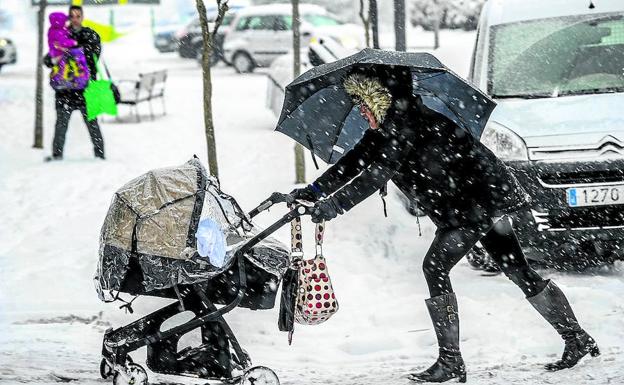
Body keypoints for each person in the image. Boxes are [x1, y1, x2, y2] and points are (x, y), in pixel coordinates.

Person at [280, 73, 600, 382]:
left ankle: (450, 361)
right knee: (517, 269)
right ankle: (577, 338)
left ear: (379, 100)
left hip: (476, 200)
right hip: (478, 199)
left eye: (363, 103)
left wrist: (333, 207)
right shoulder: (385, 128)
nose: (360, 111)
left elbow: (377, 174)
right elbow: (354, 162)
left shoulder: (405, 125)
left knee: (435, 267)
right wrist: (313, 192)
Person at [44, 5, 104, 161]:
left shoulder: (90, 35)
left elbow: (93, 56)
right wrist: (53, 57)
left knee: (93, 124)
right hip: (64, 91)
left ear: (82, 17)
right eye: (72, 16)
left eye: (78, 16)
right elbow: (49, 58)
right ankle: (57, 156)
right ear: (68, 18)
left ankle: (100, 155)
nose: (75, 19)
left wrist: (74, 50)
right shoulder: (60, 33)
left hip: (86, 89)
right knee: (61, 125)